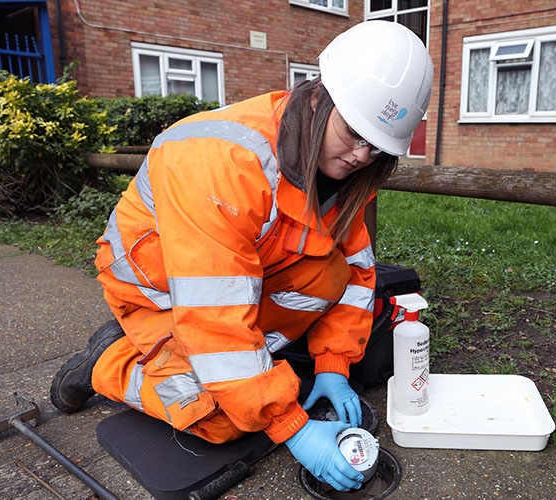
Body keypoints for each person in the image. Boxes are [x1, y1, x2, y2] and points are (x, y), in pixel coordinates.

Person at [50, 20, 433, 491]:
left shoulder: (344, 172)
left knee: (323, 284)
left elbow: (355, 272)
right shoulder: (221, 163)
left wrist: (334, 364)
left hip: (237, 281)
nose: (360, 155)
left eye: (377, 148)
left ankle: (240, 370)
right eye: (354, 133)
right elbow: (215, 314)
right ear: (318, 97)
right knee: (226, 418)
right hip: (161, 291)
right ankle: (109, 361)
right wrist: (289, 424)